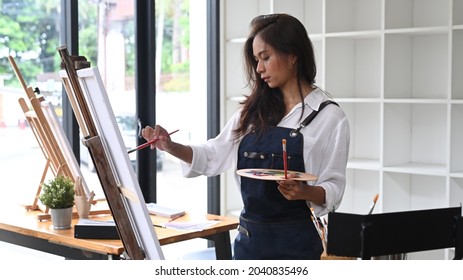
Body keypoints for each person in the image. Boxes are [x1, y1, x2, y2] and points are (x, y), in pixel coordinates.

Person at [142, 13, 350, 260]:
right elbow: (213, 154)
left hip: (299, 245)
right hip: (249, 242)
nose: (259, 68)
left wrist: (305, 192)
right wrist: (171, 146)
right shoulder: (251, 113)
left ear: (293, 55)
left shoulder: (329, 117)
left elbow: (334, 187)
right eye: (256, 60)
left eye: (266, 58)